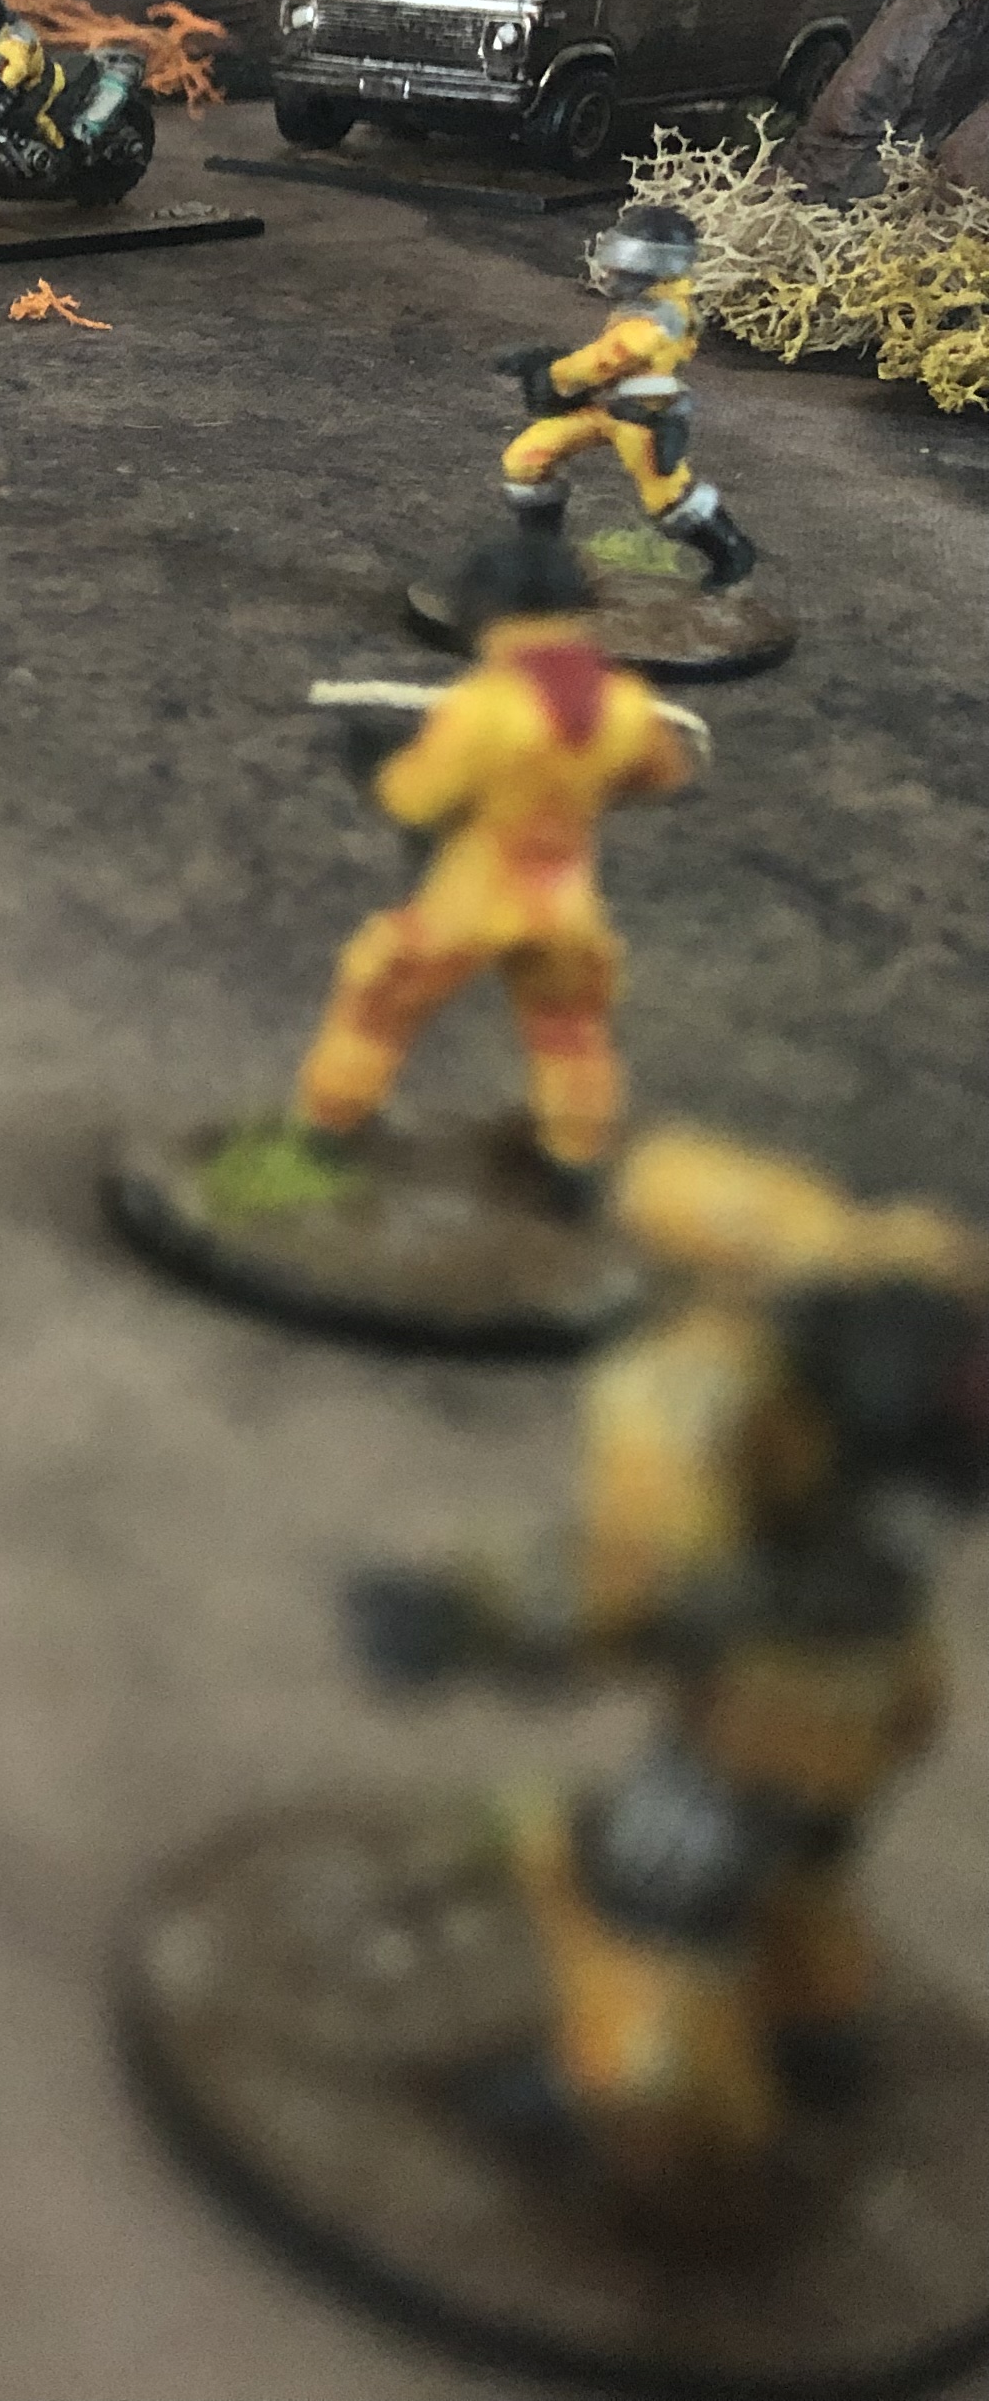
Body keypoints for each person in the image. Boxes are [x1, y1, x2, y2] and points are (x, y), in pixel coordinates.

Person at [347, 1130, 988, 2192]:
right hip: (887, 1689)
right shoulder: (913, 1297)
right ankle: (817, 2024)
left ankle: (654, 2116)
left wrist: (472, 1613)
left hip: (764, 1713)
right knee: (803, 1866)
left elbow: (645, 1582)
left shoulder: (695, 1386)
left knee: (647, 1895)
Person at [285, 533, 690, 1209]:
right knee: (568, 1027)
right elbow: (659, 772)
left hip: (474, 895)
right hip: (564, 898)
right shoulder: (622, 701)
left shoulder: (484, 707)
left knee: (381, 996)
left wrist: (380, 767)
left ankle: (329, 1124)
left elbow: (416, 798)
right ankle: (576, 1159)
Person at [495, 201, 760, 588]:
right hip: (606, 407)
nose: (611, 272)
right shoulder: (641, 305)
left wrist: (554, 375)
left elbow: (607, 360)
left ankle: (732, 553)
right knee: (527, 458)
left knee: (666, 499)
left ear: (649, 266)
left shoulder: (658, 316)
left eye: (622, 264)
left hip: (645, 415)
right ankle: (541, 554)